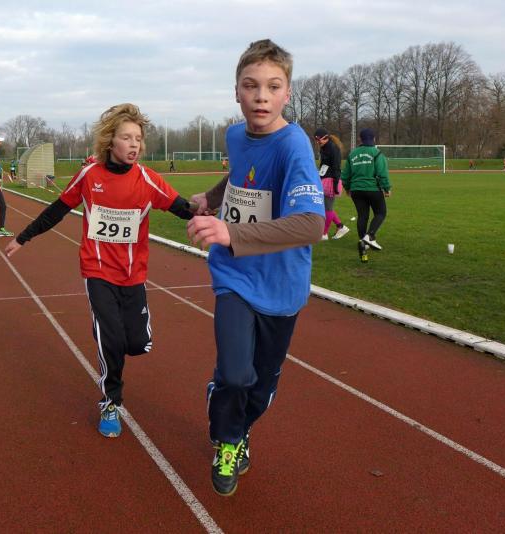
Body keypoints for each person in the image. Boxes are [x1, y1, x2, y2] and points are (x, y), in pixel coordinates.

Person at [5, 103, 196, 438]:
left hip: (133, 273)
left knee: (136, 343)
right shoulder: (90, 175)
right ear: (110, 141)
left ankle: (112, 334)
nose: (134, 144)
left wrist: (217, 219)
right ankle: (111, 401)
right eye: (127, 137)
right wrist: (24, 236)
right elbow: (58, 209)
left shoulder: (147, 180)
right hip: (98, 270)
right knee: (112, 339)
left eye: (138, 138)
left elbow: (183, 208)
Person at [186, 39, 324, 497]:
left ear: (288, 94)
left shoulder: (294, 146)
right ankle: (228, 441)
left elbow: (311, 224)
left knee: (259, 389)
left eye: (273, 86)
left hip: (282, 286)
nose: (261, 96)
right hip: (234, 275)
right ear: (236, 92)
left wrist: (231, 232)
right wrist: (212, 197)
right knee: (234, 375)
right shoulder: (234, 136)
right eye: (251, 86)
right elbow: (241, 175)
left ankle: (240, 426)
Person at [342, 128, 391, 261]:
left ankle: (363, 242)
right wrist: (387, 188)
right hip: (372, 189)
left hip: (356, 190)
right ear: (374, 139)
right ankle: (369, 236)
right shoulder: (377, 153)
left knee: (362, 216)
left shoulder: (352, 154)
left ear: (360, 139)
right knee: (380, 213)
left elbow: (345, 174)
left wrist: (347, 187)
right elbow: (382, 173)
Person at [314, 127, 349, 240]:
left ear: (326, 138)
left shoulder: (333, 148)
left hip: (331, 180)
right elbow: (323, 166)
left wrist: (335, 184)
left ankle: (324, 233)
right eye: (316, 140)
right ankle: (340, 226)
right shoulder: (323, 148)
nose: (318, 142)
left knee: (327, 208)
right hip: (324, 179)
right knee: (324, 206)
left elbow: (336, 167)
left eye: (319, 139)